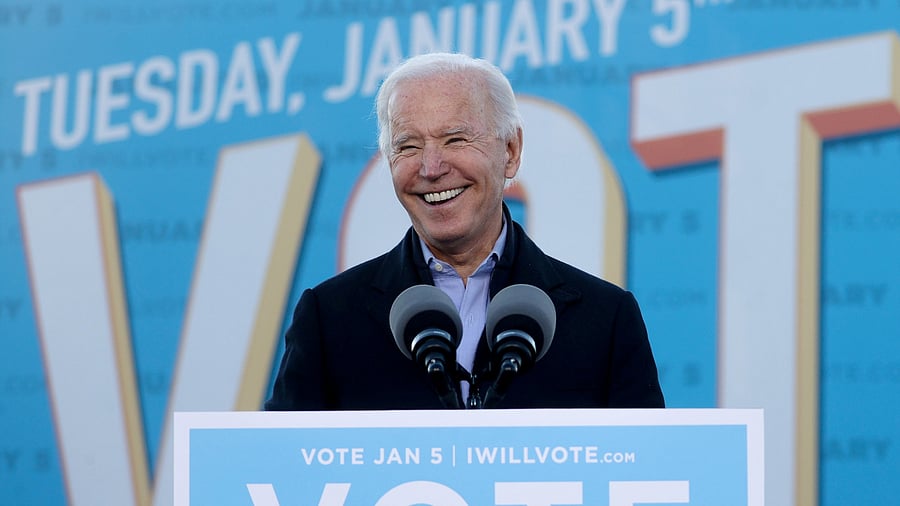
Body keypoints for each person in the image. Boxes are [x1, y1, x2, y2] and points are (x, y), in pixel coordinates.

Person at [265, 52, 664, 410]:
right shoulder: (328, 319)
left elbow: (647, 474)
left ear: (510, 151)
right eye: (408, 147)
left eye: (455, 139)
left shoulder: (606, 320)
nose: (431, 167)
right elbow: (279, 473)